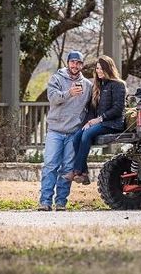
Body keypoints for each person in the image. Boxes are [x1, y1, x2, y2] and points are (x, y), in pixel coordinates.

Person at [39, 50, 93, 211]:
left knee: (68, 168)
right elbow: (53, 98)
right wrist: (69, 93)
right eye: (72, 62)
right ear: (67, 63)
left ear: (82, 65)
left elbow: (91, 107)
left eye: (78, 63)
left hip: (73, 132)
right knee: (50, 165)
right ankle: (45, 201)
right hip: (55, 131)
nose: (75, 65)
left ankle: (61, 202)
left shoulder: (88, 85)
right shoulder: (57, 78)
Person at [64, 55, 127, 185]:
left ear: (109, 69)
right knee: (77, 136)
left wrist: (99, 120)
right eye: (97, 68)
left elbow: (118, 109)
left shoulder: (118, 85)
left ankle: (76, 171)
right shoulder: (98, 85)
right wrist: (88, 121)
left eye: (102, 68)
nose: (98, 71)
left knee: (87, 134)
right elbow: (92, 109)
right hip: (99, 122)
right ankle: (84, 173)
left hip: (113, 123)